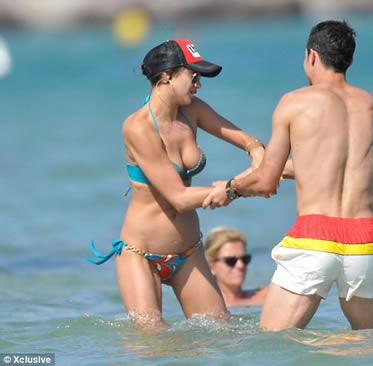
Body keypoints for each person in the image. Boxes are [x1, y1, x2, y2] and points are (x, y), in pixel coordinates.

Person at [203, 20, 373, 331]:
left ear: (311, 56)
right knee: (370, 346)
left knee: (272, 345)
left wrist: (232, 188)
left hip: (314, 238)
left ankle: (320, 349)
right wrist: (242, 180)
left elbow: (266, 181)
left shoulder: (294, 102)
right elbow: (334, 168)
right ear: (350, 60)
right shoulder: (371, 105)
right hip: (365, 241)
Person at [87, 39, 265, 329]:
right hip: (141, 254)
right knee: (151, 347)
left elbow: (243, 138)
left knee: (222, 337)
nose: (199, 86)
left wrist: (255, 148)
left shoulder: (193, 110)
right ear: (168, 75)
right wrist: (235, 188)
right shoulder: (138, 127)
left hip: (189, 250)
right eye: (194, 78)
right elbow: (178, 197)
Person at [204, 227, 268, 307]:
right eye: (231, 261)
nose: (240, 265)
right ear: (211, 267)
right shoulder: (211, 307)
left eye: (245, 259)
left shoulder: (267, 295)